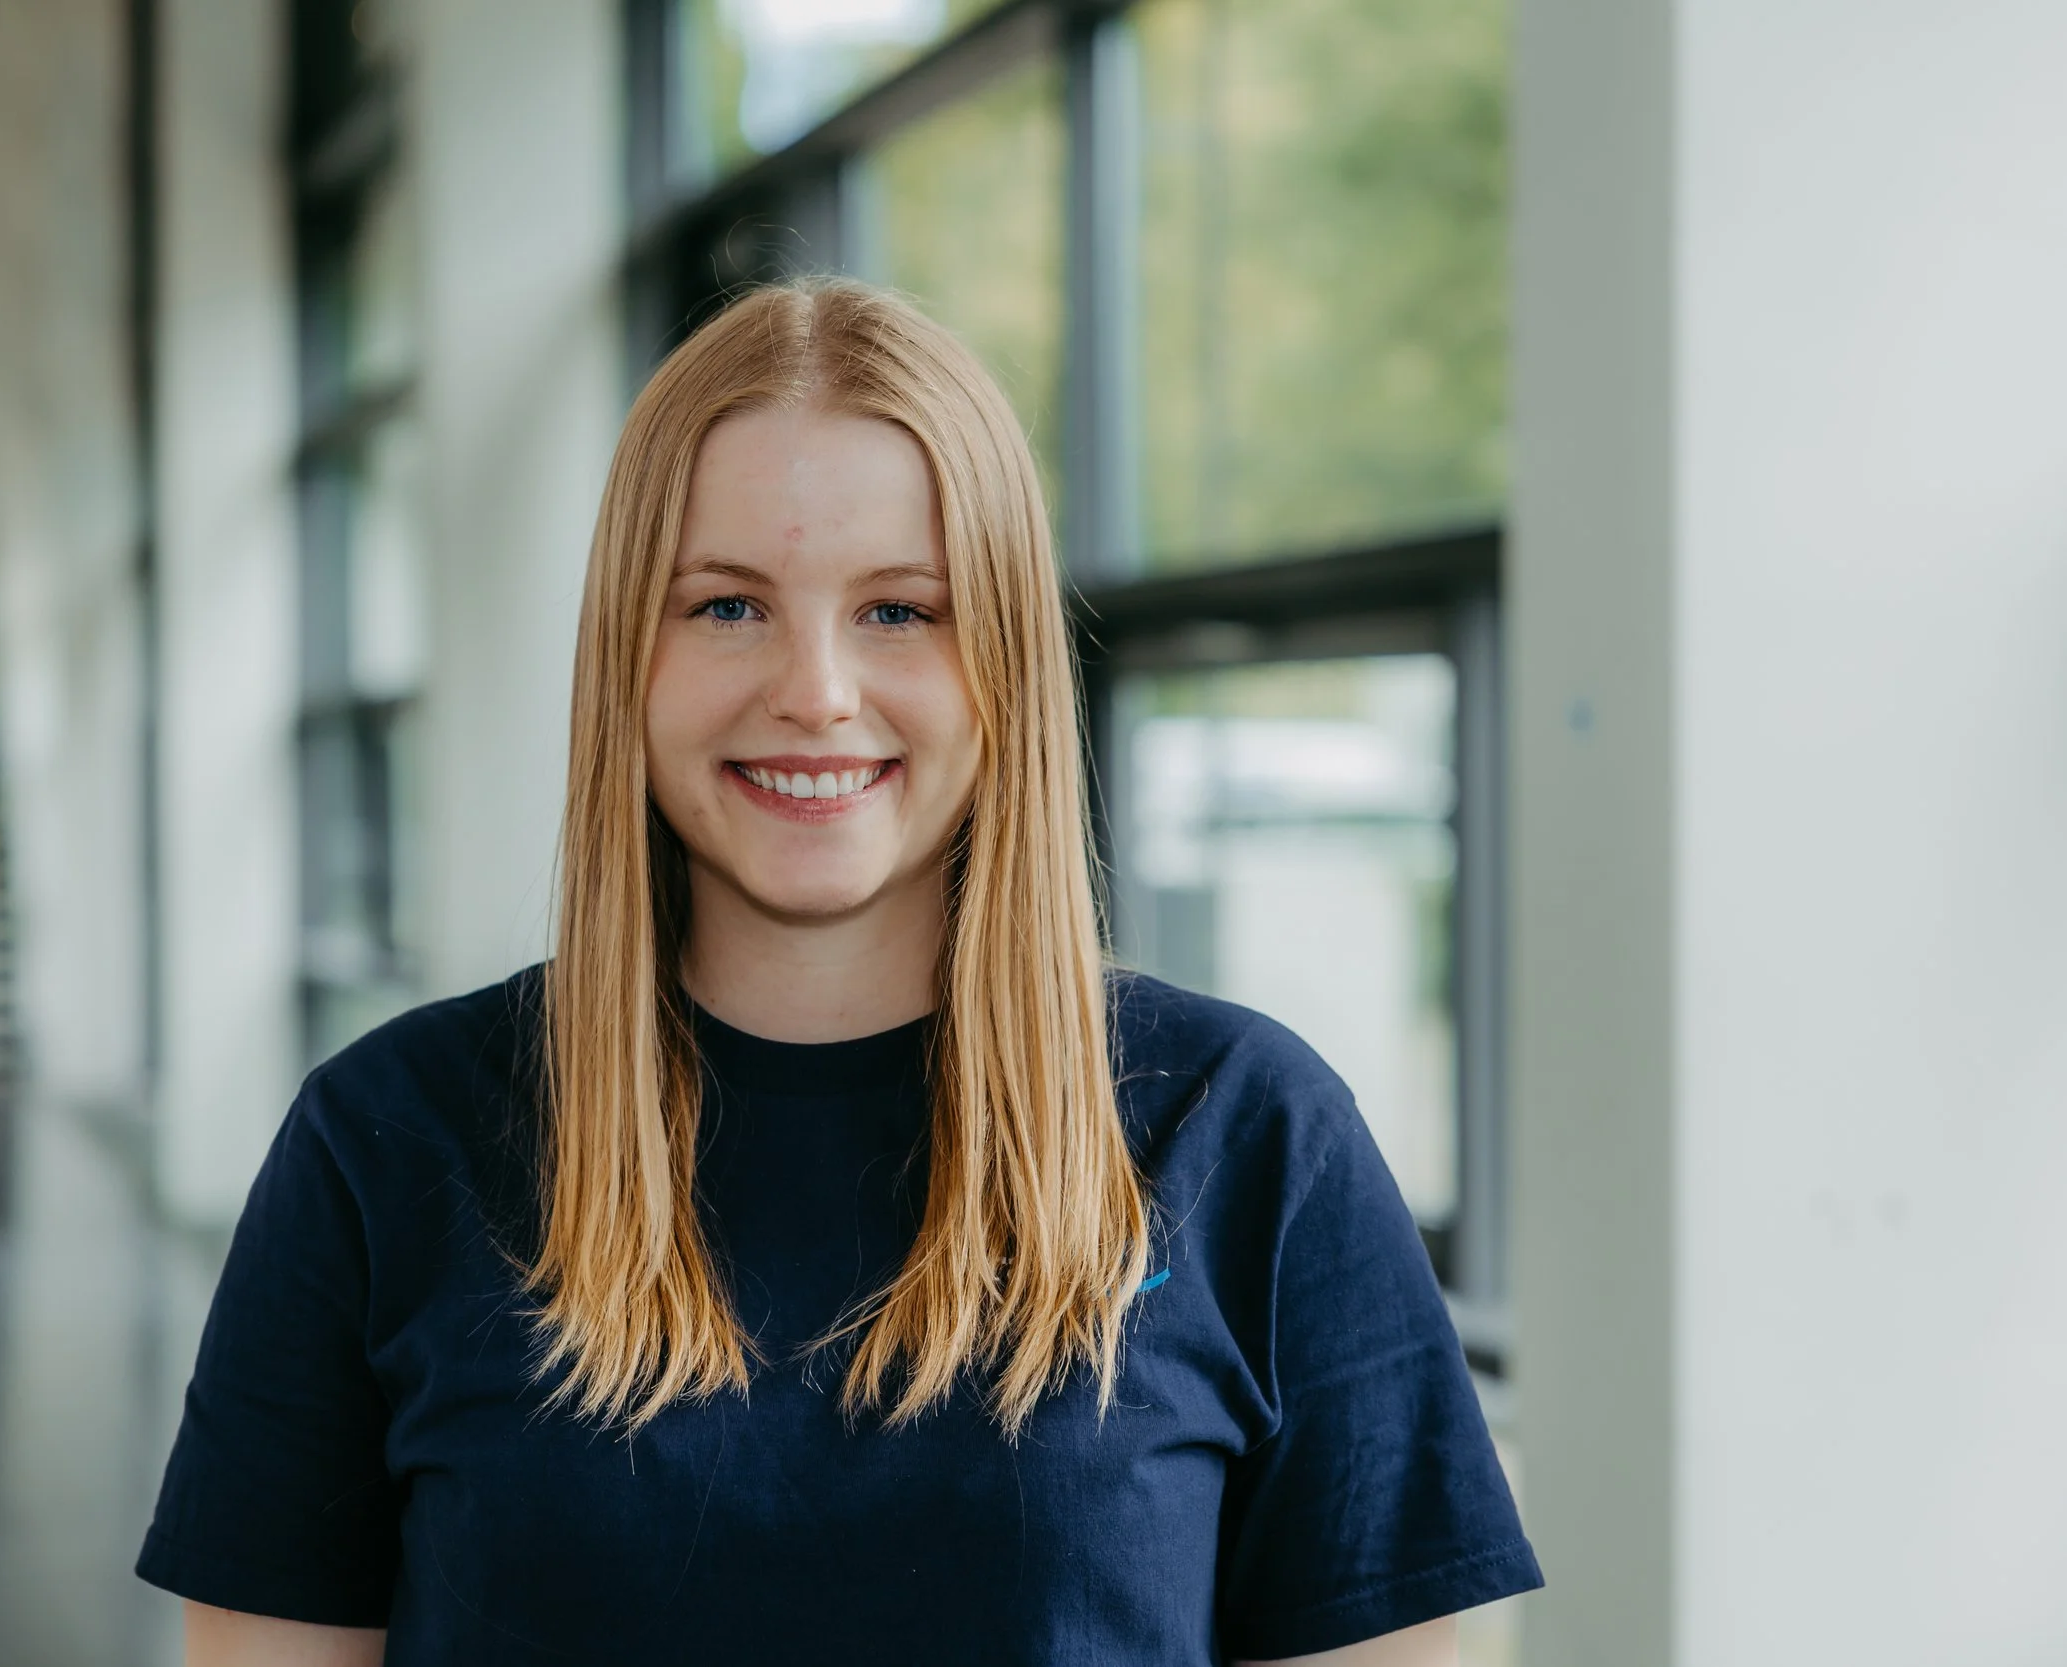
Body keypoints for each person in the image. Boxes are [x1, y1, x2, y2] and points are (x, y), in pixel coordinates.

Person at [136, 278, 1541, 1666]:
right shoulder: (383, 1144)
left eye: (899, 611)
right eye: (728, 606)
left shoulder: (1250, 1136)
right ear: (628, 649)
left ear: (1004, 658)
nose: (814, 688)